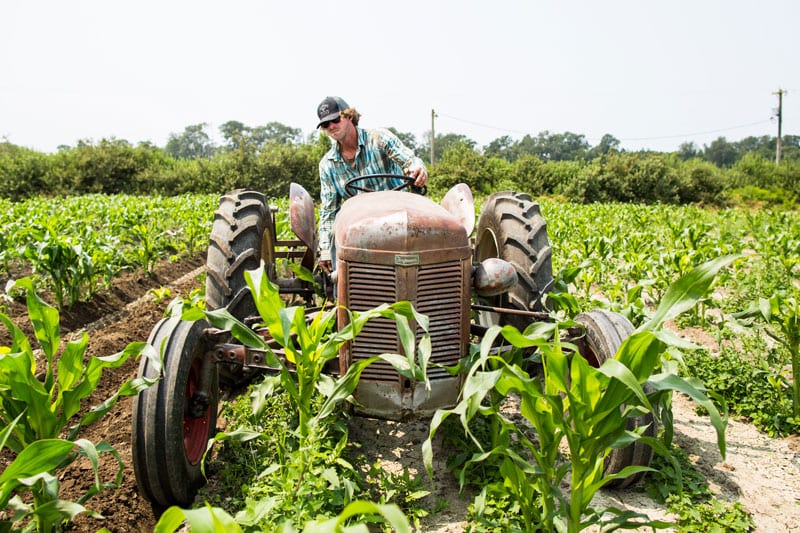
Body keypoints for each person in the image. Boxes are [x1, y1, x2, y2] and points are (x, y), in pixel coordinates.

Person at [315, 96, 428, 274]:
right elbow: (329, 211)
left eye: (335, 120)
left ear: (349, 116)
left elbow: (408, 159)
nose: (331, 127)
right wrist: (325, 251)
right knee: (337, 235)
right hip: (361, 225)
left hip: (398, 214)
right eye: (325, 125)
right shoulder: (328, 165)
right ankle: (341, 294)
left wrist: (417, 169)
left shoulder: (378, 138)